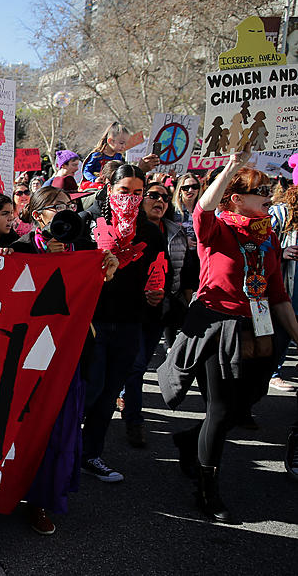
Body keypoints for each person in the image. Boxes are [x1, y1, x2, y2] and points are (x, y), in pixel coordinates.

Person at [159, 143, 298, 521]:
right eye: (261, 193)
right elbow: (202, 208)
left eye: (270, 191)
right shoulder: (216, 230)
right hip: (218, 327)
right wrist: (231, 165)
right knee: (220, 410)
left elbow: (279, 294)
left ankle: (190, 443)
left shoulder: (266, 238)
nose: (270, 198)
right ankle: (206, 489)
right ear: (236, 199)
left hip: (260, 328)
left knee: (244, 404)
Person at [10, 187, 118, 535]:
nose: (60, 211)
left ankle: (42, 500)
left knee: (57, 430)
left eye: (66, 206)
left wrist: (109, 267)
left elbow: (100, 299)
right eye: (51, 207)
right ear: (35, 215)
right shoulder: (19, 250)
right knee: (17, 428)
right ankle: (3, 493)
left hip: (67, 358)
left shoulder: (86, 253)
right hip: (20, 361)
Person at [78, 164, 166, 483]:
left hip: (130, 323)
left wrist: (155, 293)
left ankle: (91, 455)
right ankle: (64, 451)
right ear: (109, 190)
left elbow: (156, 274)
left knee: (109, 394)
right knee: (91, 389)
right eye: (123, 191)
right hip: (93, 322)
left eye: (137, 192)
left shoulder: (151, 233)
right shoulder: (88, 222)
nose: (130, 198)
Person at [120, 182, 197, 448]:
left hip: (160, 308)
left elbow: (185, 270)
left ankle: (125, 396)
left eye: (164, 197)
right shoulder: (129, 229)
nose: (159, 201)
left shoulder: (175, 231)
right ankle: (134, 420)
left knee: (136, 364)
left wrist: (182, 301)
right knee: (138, 365)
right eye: (152, 195)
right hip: (130, 308)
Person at [269, 182, 298, 393]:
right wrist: (282, 251)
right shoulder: (280, 213)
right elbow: (259, 243)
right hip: (285, 284)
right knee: (280, 333)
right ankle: (273, 373)